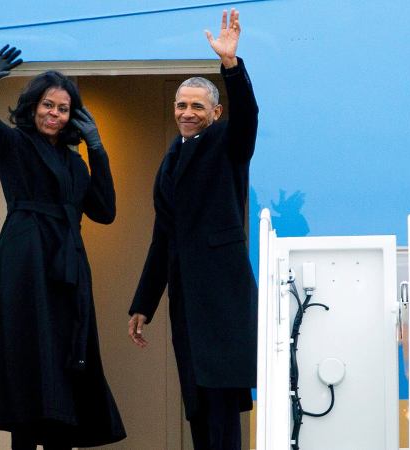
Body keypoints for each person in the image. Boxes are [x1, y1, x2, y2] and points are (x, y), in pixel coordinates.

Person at [0, 45, 126, 450]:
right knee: (28, 353)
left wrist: (98, 149)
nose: (54, 114)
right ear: (33, 107)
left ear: (74, 116)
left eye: (63, 109)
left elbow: (105, 211)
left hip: (68, 267)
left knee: (67, 358)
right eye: (47, 105)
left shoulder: (76, 164)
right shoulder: (16, 144)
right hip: (26, 260)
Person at [128, 9, 258, 450]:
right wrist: (144, 303)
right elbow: (163, 236)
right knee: (197, 404)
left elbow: (247, 118)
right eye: (181, 105)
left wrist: (230, 66)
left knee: (221, 405)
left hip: (221, 298)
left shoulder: (227, 141)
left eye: (197, 106)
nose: (187, 112)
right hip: (186, 299)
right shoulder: (171, 158)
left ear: (215, 111)